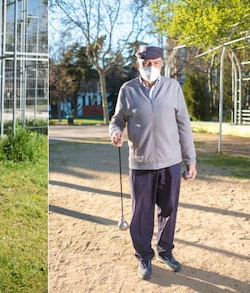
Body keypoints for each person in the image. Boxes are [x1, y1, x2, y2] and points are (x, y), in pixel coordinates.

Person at [109, 46, 197, 280]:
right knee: (141, 214)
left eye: (156, 62)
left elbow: (184, 126)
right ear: (138, 64)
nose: (151, 67)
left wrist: (191, 160)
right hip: (140, 163)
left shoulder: (173, 88)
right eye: (146, 63)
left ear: (162, 63)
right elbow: (117, 120)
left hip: (170, 162)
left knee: (168, 210)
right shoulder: (127, 90)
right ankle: (144, 257)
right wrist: (115, 133)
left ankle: (165, 252)